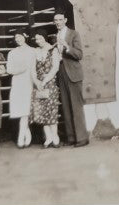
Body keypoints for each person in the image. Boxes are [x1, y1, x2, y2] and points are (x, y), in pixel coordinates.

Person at [53, 12, 88, 147]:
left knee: (76, 107)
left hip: (73, 73)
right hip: (61, 73)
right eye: (56, 20)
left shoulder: (73, 34)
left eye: (60, 19)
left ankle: (82, 138)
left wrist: (67, 46)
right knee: (66, 107)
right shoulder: (55, 36)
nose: (58, 22)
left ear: (65, 20)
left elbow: (79, 54)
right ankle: (72, 137)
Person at [5, 31, 36, 148]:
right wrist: (20, 69)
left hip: (28, 83)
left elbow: (35, 68)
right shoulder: (12, 53)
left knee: (25, 111)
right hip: (17, 84)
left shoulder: (32, 51)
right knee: (21, 111)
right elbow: (9, 70)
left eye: (20, 36)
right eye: (16, 37)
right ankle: (26, 135)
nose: (18, 39)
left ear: (25, 36)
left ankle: (20, 138)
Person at [31, 34, 62, 148]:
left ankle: (55, 137)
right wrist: (37, 82)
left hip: (50, 84)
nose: (38, 41)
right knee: (42, 112)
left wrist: (44, 81)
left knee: (52, 110)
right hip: (39, 85)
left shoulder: (53, 50)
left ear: (44, 38)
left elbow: (55, 68)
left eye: (40, 38)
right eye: (36, 39)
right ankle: (48, 138)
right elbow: (33, 69)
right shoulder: (35, 52)